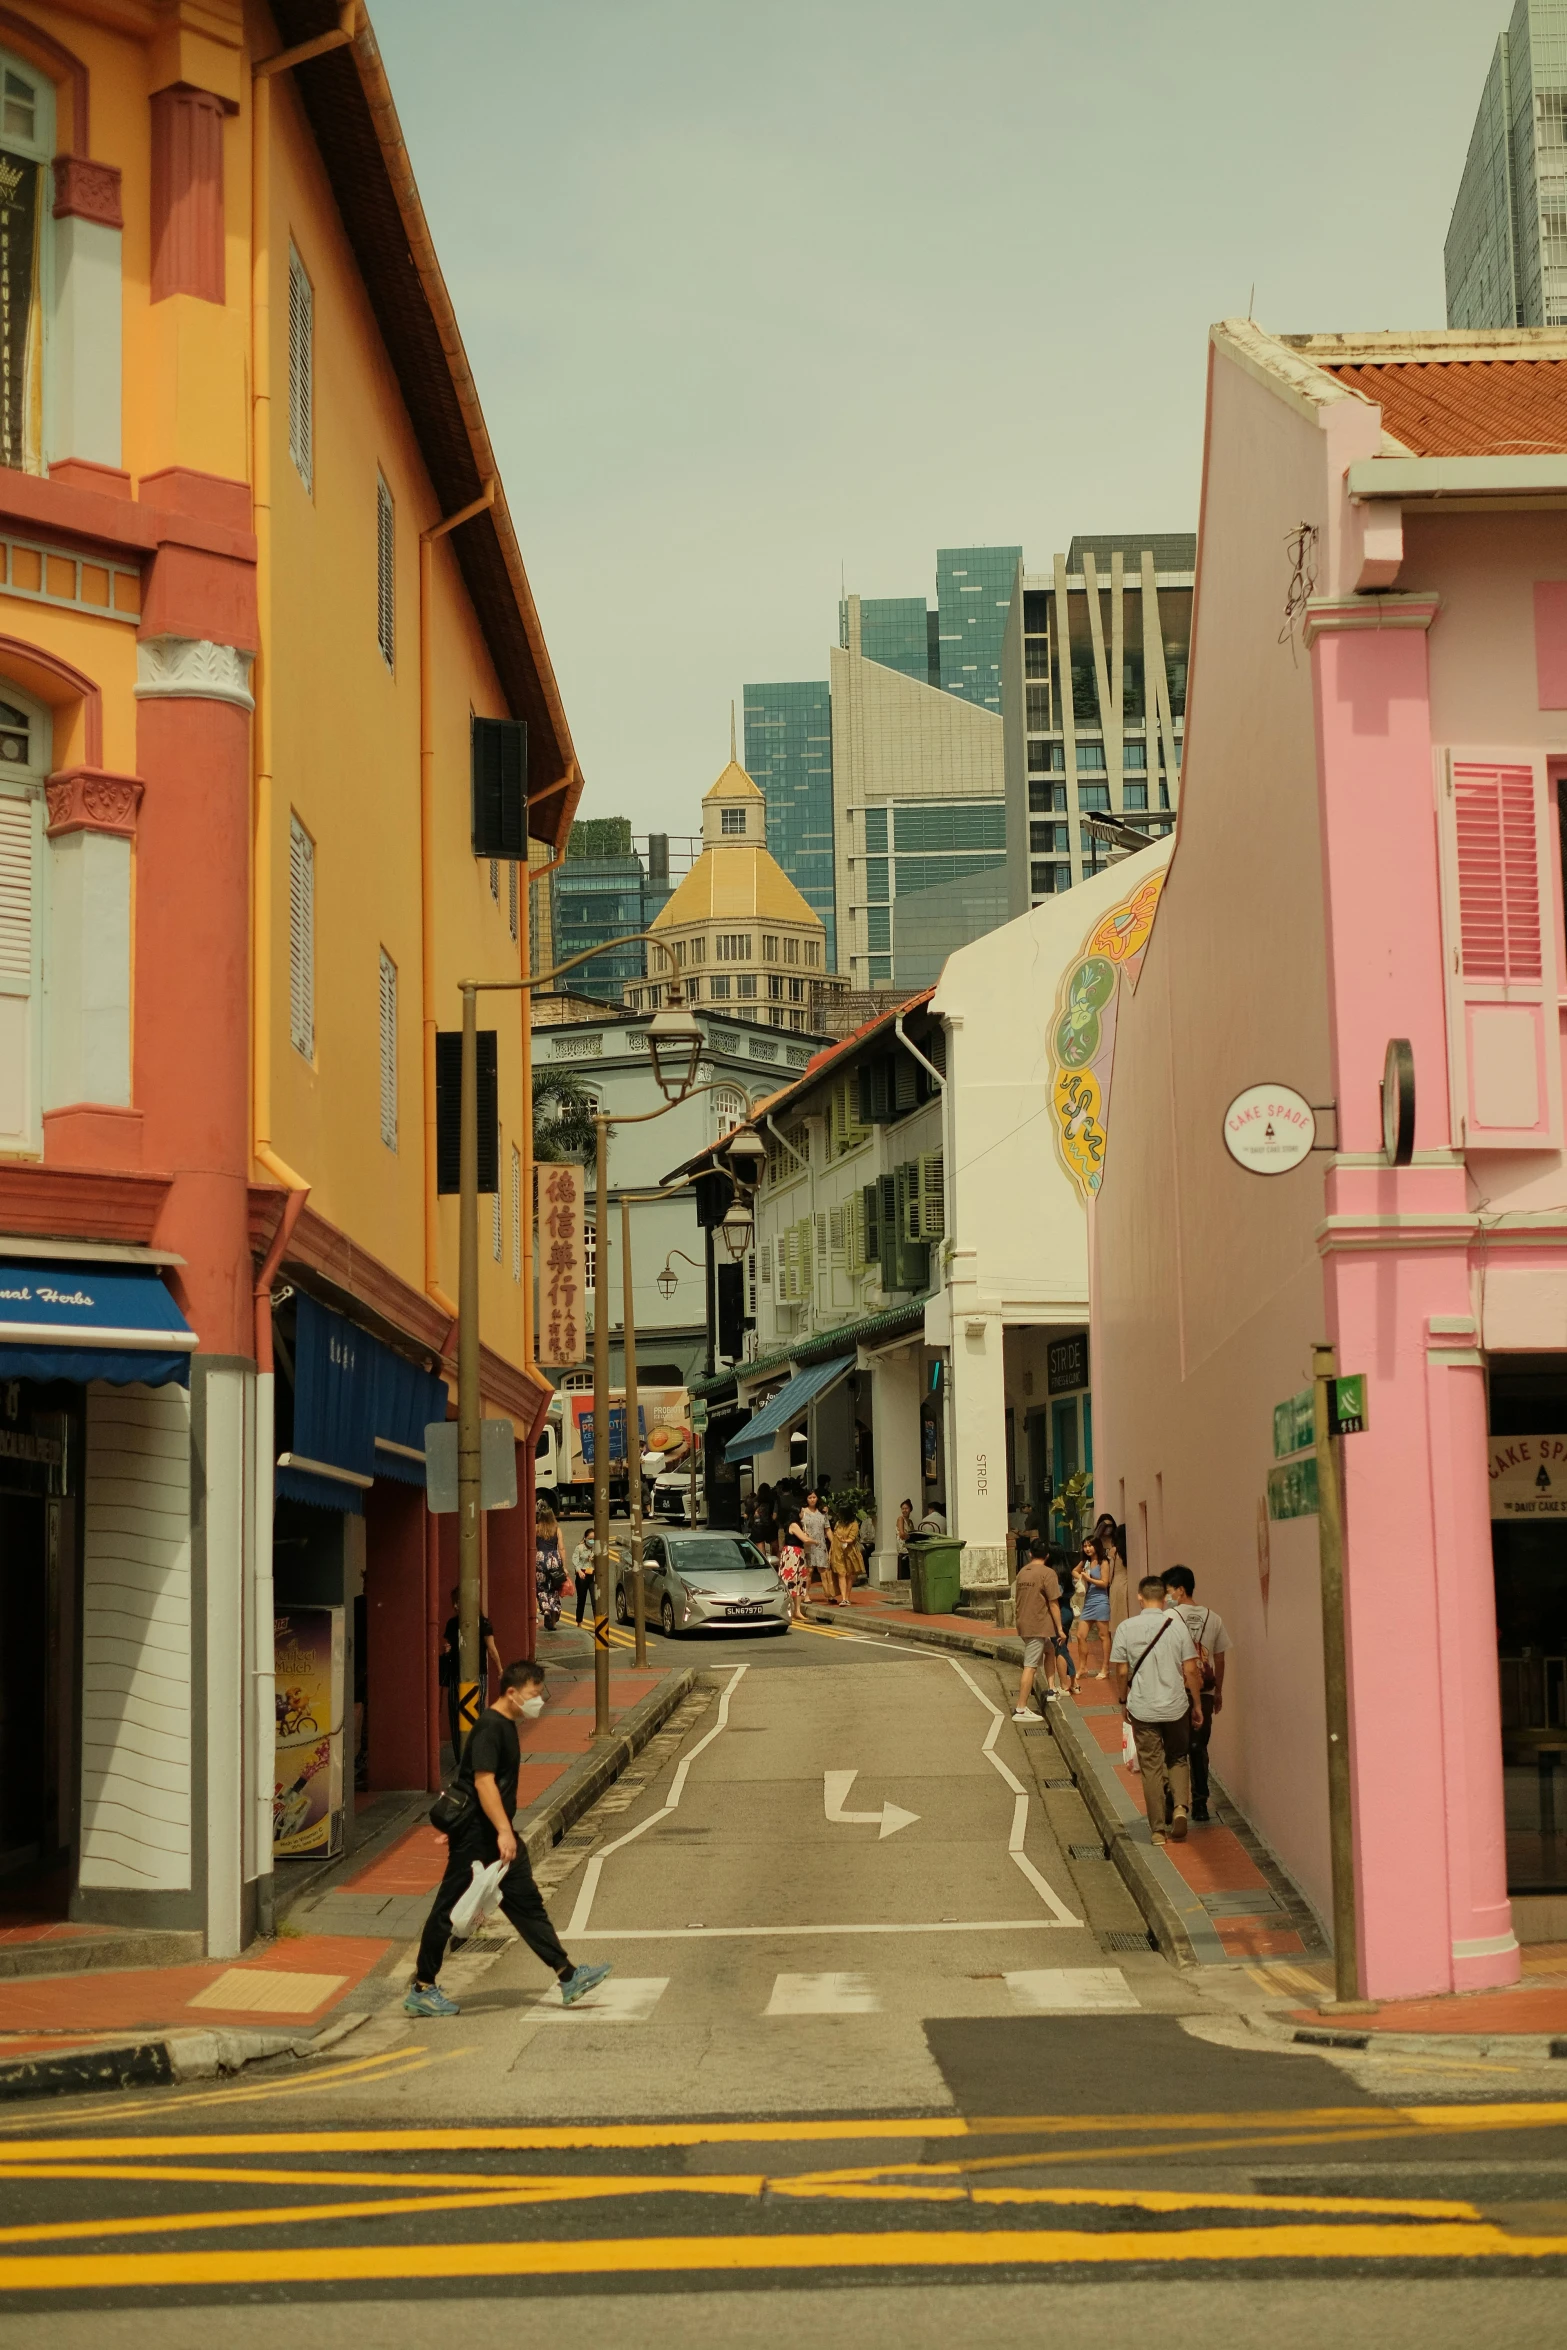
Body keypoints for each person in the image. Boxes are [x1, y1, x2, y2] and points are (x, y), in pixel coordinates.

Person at [407, 1661, 612, 2016]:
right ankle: (423, 1987)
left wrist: (499, 1829)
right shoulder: (491, 1727)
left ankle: (567, 1975)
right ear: (513, 1693)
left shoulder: (505, 1726)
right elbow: (483, 1781)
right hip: (478, 1837)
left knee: (526, 1904)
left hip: (488, 1832)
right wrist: (502, 1830)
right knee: (447, 1909)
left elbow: (477, 1783)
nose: (539, 1701)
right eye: (534, 1694)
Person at [1110, 1574, 1204, 1845]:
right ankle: (1179, 1808)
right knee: (1178, 1757)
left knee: (1151, 1766)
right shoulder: (1177, 1626)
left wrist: (1123, 1700)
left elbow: (1122, 1669)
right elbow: (1190, 1669)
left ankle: (1157, 1831)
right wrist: (1196, 1704)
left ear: (1140, 1597)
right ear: (1165, 1598)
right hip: (1175, 1704)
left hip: (1143, 1706)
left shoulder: (1127, 1628)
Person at [1163, 1565, 1231, 1823]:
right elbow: (1220, 1658)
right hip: (1205, 1691)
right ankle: (1201, 1803)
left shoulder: (1169, 1617)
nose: (1167, 1596)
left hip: (1176, 1692)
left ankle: (1174, 1800)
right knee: (1199, 1747)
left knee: (1174, 1748)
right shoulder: (1214, 1618)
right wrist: (1219, 1691)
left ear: (1180, 1590)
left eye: (1169, 1591)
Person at [440, 1588, 504, 1758]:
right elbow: (449, 1645)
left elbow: (491, 1649)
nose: (455, 1606)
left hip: (477, 1674)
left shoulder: (482, 1623)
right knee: (455, 1713)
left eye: (458, 1602)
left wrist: (500, 1669)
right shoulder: (452, 1624)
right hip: (455, 1674)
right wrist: (448, 1650)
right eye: (454, 1602)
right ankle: (460, 1756)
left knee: (474, 1712)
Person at [1012, 1537, 1064, 1717]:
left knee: (1049, 1650)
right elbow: (1054, 1603)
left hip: (1024, 1622)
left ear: (1030, 1553)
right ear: (1047, 1555)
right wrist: (1060, 1629)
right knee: (1031, 1665)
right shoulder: (1048, 1573)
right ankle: (1021, 1708)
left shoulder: (1022, 1573)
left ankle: (1051, 1689)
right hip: (1038, 1624)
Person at [1070, 1534, 1113, 1681]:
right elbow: (1074, 1571)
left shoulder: (1103, 1562)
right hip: (1088, 1602)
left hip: (1101, 1601)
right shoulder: (1086, 1562)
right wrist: (1081, 1576)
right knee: (1080, 1635)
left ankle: (1105, 1667)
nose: (1087, 1548)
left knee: (1103, 1635)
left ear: (1096, 1546)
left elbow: (1105, 1583)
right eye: (1085, 1546)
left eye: (1090, 1545)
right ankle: (1082, 1667)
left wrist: (1088, 1578)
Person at [1094, 1512, 1130, 1638]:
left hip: (1116, 1584)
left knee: (1118, 1616)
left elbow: (1110, 1572)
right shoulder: (1130, 1550)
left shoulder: (1115, 1551)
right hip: (1128, 1583)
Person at [827, 1506, 863, 1606]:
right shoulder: (838, 1524)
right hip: (838, 1552)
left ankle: (847, 1597)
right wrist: (831, 1551)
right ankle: (843, 1598)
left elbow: (851, 1539)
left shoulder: (854, 1524)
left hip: (850, 1552)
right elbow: (834, 1538)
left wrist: (843, 1540)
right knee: (841, 1573)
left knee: (850, 1575)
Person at [778, 1511, 809, 1622]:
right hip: (792, 1553)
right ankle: (790, 1609)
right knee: (790, 1580)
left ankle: (797, 1611)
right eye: (801, 1511)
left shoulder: (799, 1525)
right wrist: (815, 1541)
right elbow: (805, 1539)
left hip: (799, 1553)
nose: (803, 1513)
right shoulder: (794, 1525)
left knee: (799, 1581)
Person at [799, 1489, 829, 1599]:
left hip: (820, 1544)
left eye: (814, 1497)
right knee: (809, 1570)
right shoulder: (802, 1512)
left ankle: (829, 1593)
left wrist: (834, 1542)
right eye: (810, 1497)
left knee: (823, 1569)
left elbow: (827, 1529)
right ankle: (806, 1595)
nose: (812, 1500)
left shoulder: (822, 1512)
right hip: (808, 1545)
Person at [896, 1498, 916, 1578]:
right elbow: (902, 1534)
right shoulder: (901, 1519)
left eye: (906, 1508)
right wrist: (909, 1537)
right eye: (903, 1509)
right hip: (903, 1545)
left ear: (910, 1509)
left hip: (909, 1544)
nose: (904, 1510)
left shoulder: (910, 1521)